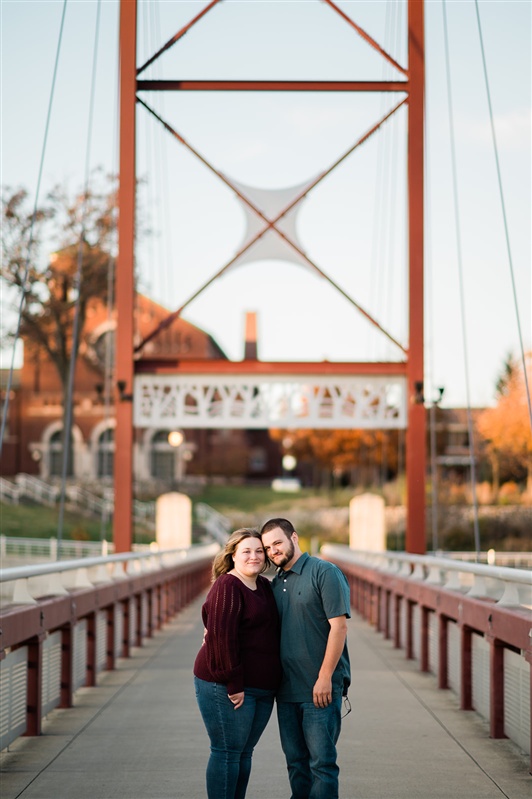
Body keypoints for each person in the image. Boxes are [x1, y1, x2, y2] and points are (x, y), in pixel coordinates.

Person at [260, 517, 351, 799]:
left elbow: (339, 626)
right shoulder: (274, 584)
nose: (273, 551)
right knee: (296, 765)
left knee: (322, 765)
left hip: (320, 690)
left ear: (294, 538)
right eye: (267, 548)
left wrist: (325, 678)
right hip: (286, 691)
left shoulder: (324, 572)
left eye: (277, 542)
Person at [193, 528, 281, 799]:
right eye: (246, 551)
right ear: (232, 556)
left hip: (261, 687)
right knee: (227, 752)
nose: (253, 556)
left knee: (243, 752)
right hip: (227, 684)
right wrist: (234, 683)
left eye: (259, 551)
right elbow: (222, 638)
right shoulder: (228, 585)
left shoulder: (265, 586)